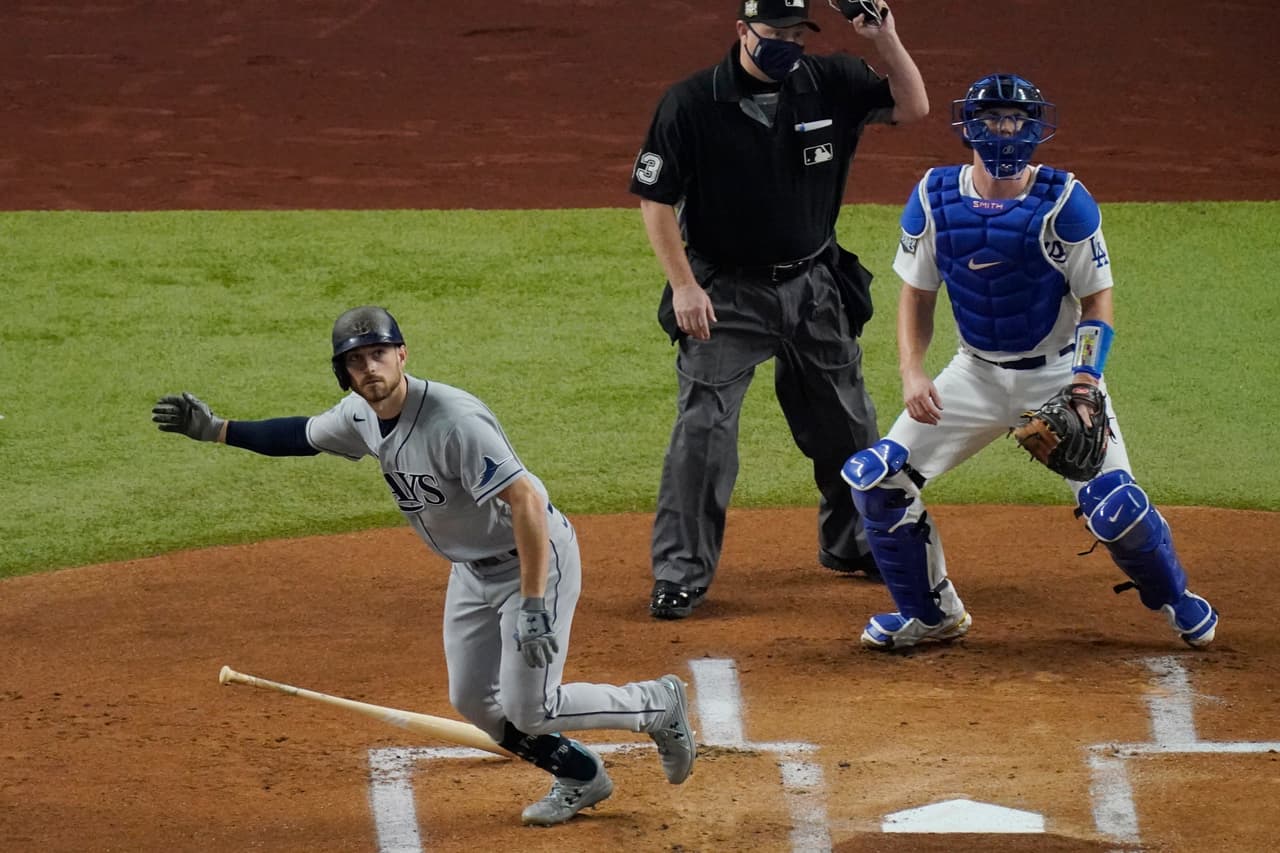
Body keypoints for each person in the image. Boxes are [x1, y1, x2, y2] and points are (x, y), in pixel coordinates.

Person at [151, 306, 696, 826]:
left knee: (532, 710)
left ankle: (654, 704)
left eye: (378, 354)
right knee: (472, 700)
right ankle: (580, 776)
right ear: (344, 373)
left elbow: (525, 500)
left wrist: (533, 602)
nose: (369, 368)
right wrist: (217, 429)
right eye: (355, 361)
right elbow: (300, 436)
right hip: (471, 571)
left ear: (402, 354)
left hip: (533, 563)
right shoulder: (360, 416)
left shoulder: (454, 421)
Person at [839, 74, 1219, 651]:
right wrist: (913, 371)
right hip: (974, 373)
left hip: (1058, 375)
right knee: (878, 480)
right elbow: (917, 294)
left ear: (1033, 126)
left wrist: (1087, 383)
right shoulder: (934, 196)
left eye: (1014, 119)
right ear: (970, 125)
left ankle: (1176, 599)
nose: (1004, 130)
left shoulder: (1064, 202)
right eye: (992, 118)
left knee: (1114, 506)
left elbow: (1098, 301)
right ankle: (931, 615)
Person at [629, 0, 928, 619]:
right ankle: (681, 573)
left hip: (814, 285)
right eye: (776, 34)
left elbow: (914, 106)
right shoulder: (690, 102)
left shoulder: (831, 82)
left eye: (797, 34)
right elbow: (655, 202)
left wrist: (886, 40)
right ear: (742, 31)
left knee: (847, 424)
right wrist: (684, 286)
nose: (789, 44)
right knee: (703, 433)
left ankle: (854, 543)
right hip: (726, 294)